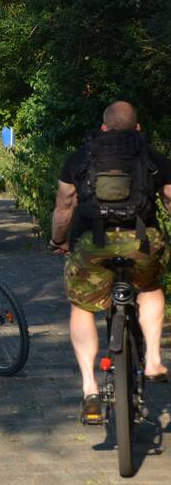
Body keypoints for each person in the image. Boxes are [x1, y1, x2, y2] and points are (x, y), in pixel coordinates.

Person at [50, 101, 171, 424]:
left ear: (103, 128)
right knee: (149, 286)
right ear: (138, 128)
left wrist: (59, 240)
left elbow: (64, 208)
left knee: (83, 305)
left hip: (93, 245)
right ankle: (155, 360)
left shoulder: (81, 157)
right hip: (141, 242)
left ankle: (90, 387)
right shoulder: (152, 156)